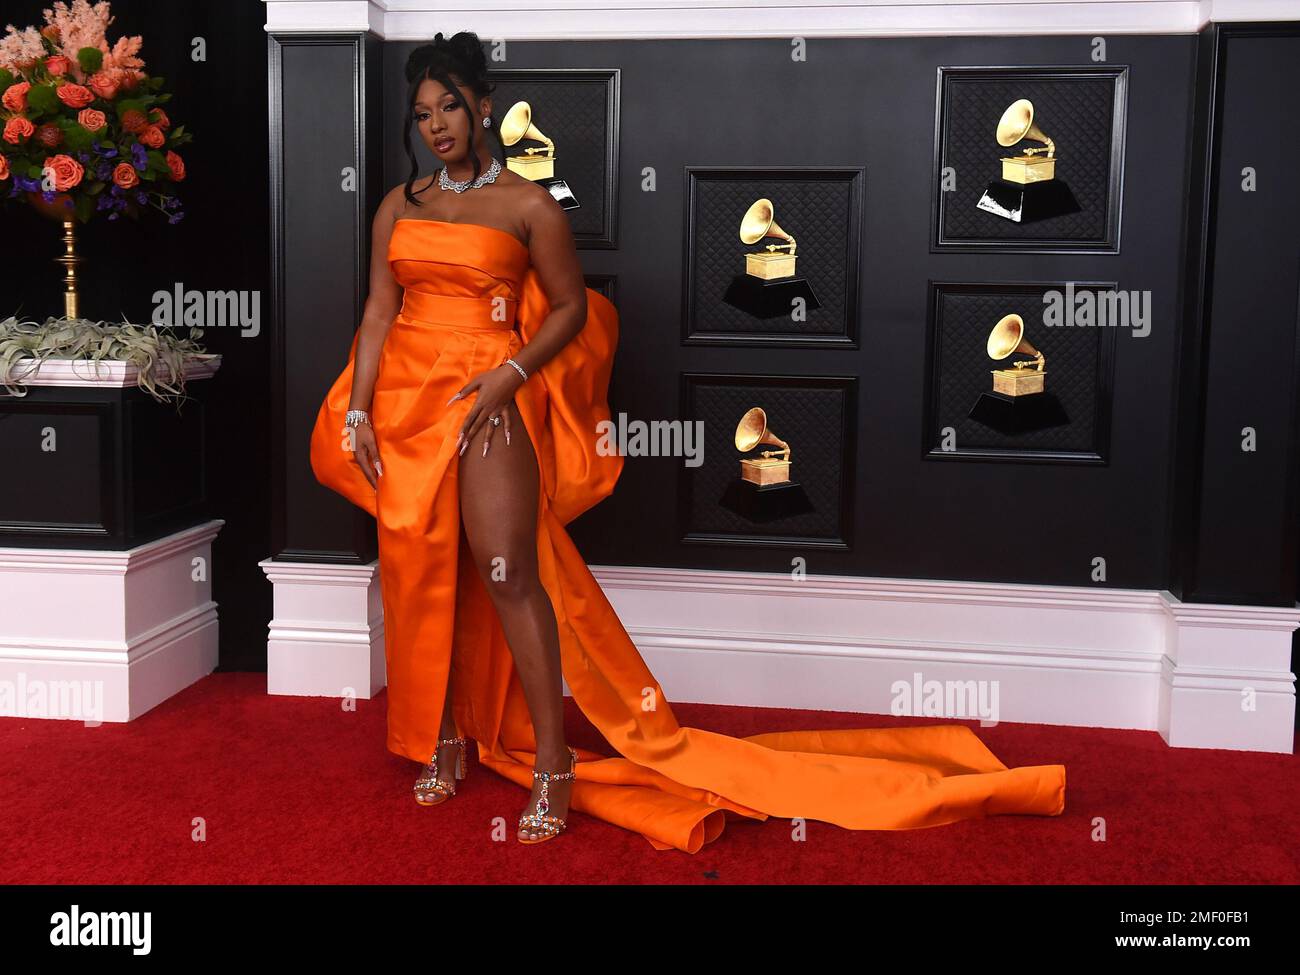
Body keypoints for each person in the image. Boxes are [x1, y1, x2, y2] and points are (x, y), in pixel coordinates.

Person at [309, 31, 1067, 852]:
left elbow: (568, 310)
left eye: (451, 105)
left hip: (490, 395)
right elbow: (379, 311)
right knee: (430, 568)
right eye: (423, 113)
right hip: (406, 400)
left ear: (484, 105)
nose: (437, 125)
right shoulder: (399, 203)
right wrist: (356, 409)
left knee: (509, 571)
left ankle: (553, 763)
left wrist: (510, 377)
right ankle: (442, 736)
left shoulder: (529, 206)